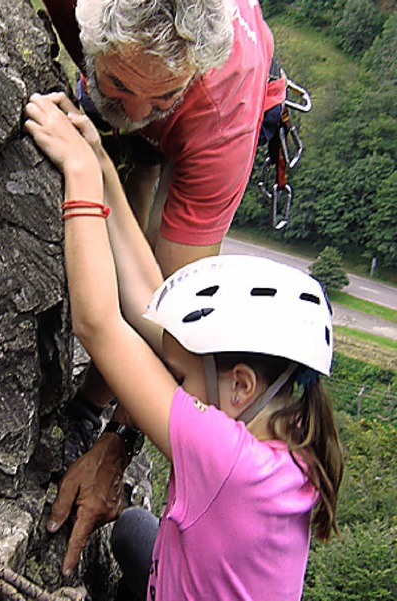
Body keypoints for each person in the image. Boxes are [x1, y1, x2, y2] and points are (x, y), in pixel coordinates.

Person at [23, 91, 344, 597]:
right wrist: (105, 168)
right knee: (131, 530)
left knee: (131, 534)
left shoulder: (230, 461)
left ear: (240, 384)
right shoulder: (288, 426)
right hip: (187, 561)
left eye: (177, 378)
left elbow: (98, 325)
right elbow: (153, 308)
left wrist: (80, 178)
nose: (170, 380)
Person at [40, 0, 288, 474]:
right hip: (143, 71)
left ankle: (89, 407)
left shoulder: (221, 121)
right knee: (128, 164)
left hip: (205, 110)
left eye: (159, 98)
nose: (136, 111)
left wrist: (117, 442)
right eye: (122, 84)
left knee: (154, 287)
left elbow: (173, 320)